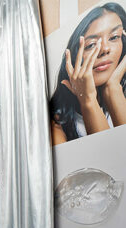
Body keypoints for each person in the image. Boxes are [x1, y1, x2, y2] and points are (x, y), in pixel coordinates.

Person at [50, 3, 126, 143]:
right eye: (91, 45)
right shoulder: (55, 125)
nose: (104, 49)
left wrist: (113, 89)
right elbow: (113, 160)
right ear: (72, 60)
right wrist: (87, 99)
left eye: (114, 37)